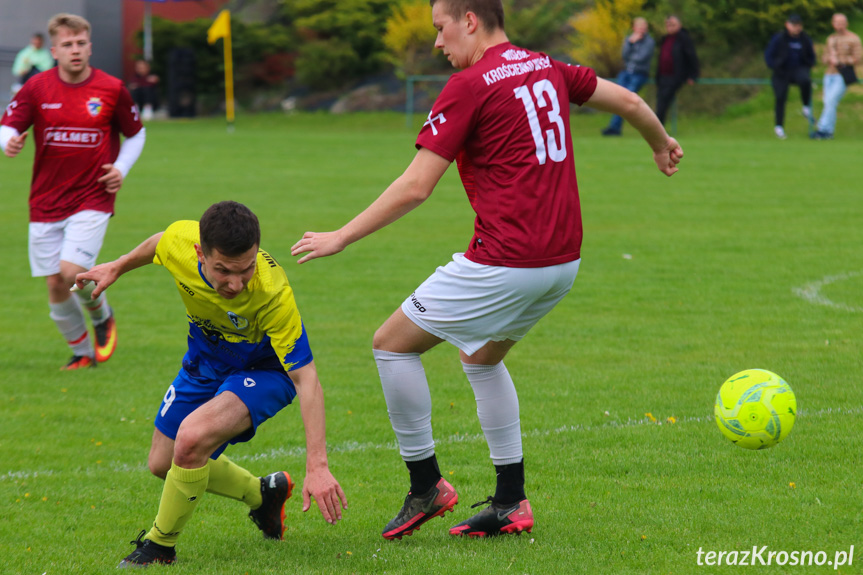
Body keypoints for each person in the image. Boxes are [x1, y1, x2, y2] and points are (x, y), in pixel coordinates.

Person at [291, 0, 682, 540]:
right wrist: (661, 144)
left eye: (440, 28)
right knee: (479, 359)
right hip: (562, 263)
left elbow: (415, 186)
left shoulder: (471, 85)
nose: (436, 42)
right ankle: (509, 501)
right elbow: (632, 100)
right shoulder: (548, 65)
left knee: (390, 344)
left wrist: (340, 236)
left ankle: (426, 485)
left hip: (505, 261)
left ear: (469, 20)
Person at [74, 201, 348, 567]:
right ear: (200, 253)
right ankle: (263, 494)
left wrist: (317, 464)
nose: (235, 283)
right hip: (205, 362)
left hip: (267, 371)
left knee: (191, 438)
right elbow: (160, 243)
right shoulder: (181, 242)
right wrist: (119, 266)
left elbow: (307, 378)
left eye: (246, 269)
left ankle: (159, 546)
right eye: (223, 271)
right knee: (163, 462)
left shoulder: (271, 292)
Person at [0, 13, 146, 370]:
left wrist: (120, 168)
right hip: (46, 199)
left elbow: (136, 133)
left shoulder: (112, 88)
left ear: (90, 45)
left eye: (81, 43)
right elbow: (8, 125)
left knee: (70, 272)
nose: (75, 50)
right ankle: (82, 353)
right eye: (67, 45)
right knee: (54, 284)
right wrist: (8, 143)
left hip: (93, 196)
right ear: (55, 50)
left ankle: (101, 316)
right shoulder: (37, 87)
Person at [764, 13, 816, 140]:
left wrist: (809, 64)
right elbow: (768, 55)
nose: (796, 28)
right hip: (781, 72)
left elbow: (811, 56)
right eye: (793, 25)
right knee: (780, 97)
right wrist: (774, 66)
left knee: (805, 80)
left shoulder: (805, 39)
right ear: (787, 25)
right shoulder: (779, 38)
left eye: (798, 25)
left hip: (798, 69)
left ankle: (806, 107)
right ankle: (779, 127)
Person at [812, 13, 862, 140]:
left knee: (830, 100)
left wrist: (842, 61)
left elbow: (859, 58)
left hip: (843, 75)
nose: (839, 25)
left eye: (842, 23)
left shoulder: (853, 38)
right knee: (828, 102)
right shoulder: (831, 39)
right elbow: (824, 57)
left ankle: (822, 128)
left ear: (846, 24)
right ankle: (829, 132)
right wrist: (829, 58)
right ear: (833, 24)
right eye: (837, 22)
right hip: (829, 74)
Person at [602, 17, 655, 136]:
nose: (642, 29)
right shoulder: (629, 39)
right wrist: (630, 43)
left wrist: (632, 55)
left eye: (644, 27)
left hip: (639, 74)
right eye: (639, 27)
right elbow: (624, 55)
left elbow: (642, 57)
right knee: (617, 99)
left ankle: (615, 127)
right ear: (634, 28)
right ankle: (614, 128)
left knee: (627, 100)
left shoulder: (649, 42)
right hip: (626, 72)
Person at [654, 15, 699, 126]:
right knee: (660, 102)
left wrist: (692, 75)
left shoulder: (683, 38)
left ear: (679, 25)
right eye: (668, 24)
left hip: (675, 77)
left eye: (673, 24)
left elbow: (691, 56)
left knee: (663, 103)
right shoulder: (665, 38)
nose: (670, 27)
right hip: (663, 77)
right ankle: (657, 130)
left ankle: (658, 130)